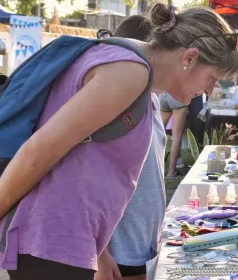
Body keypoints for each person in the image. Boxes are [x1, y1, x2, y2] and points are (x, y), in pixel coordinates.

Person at [0, 4, 238, 280]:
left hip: (65, 240)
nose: (209, 91)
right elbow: (38, 151)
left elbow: (84, 163)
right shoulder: (131, 71)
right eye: (212, 78)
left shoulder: (130, 63)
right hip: (52, 240)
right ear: (190, 58)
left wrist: (99, 249)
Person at [93, 15, 166, 280]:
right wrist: (100, 252)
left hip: (142, 243)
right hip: (116, 250)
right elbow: (85, 183)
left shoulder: (152, 99)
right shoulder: (117, 101)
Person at [160, 92, 189, 177]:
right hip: (178, 96)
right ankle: (171, 172)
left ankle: (150, 167)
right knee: (177, 137)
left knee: (157, 134)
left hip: (163, 94)